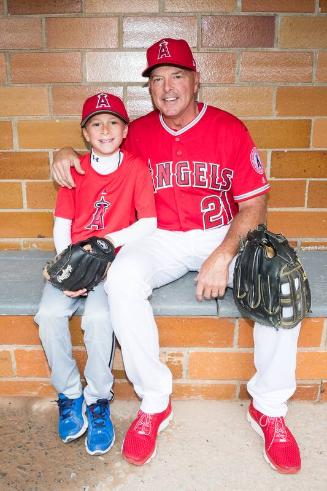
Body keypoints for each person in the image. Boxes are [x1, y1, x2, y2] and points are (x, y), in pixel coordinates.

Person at [52, 39, 302, 474]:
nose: (167, 87)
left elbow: (254, 205)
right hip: (160, 237)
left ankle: (270, 408)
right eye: (158, 79)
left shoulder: (229, 128)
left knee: (281, 280)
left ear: (195, 80)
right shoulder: (138, 133)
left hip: (219, 235)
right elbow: (98, 154)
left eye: (177, 76)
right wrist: (65, 154)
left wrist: (224, 254)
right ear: (149, 88)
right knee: (122, 279)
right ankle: (154, 401)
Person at [35, 92, 156, 456]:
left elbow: (148, 223)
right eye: (96, 124)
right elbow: (62, 225)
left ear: (125, 130)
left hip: (111, 265)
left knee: (101, 319)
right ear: (85, 133)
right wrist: (70, 268)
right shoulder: (75, 169)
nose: (105, 129)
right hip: (73, 261)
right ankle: (70, 393)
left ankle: (98, 399)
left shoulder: (135, 167)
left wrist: (101, 246)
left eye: (113, 122)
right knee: (49, 314)